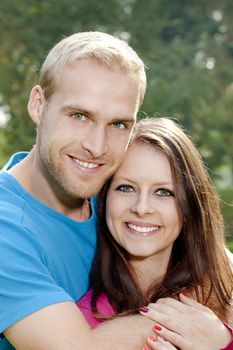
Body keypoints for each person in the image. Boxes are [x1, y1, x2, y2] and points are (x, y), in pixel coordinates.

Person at [0, 31, 156, 350]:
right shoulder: (6, 227)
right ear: (38, 105)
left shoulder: (122, 197)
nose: (96, 147)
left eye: (118, 125)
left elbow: (214, 262)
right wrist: (186, 316)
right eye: (80, 116)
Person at [77, 117, 233, 350]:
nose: (141, 208)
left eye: (163, 192)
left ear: (188, 206)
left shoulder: (224, 287)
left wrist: (224, 342)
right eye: (126, 188)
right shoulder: (82, 324)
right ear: (104, 199)